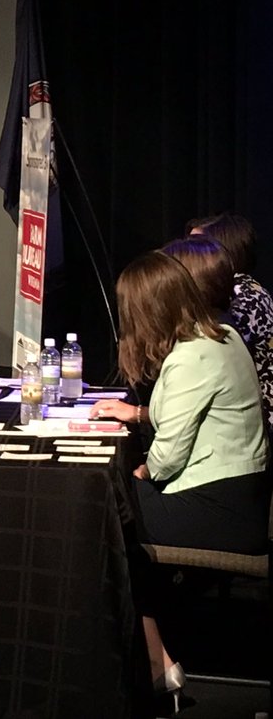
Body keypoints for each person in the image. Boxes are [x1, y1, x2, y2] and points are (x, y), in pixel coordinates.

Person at [93, 251, 269, 709]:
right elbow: (195, 414)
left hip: (219, 510)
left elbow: (168, 458)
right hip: (238, 498)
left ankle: (152, 663)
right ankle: (156, 654)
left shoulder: (191, 358)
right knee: (121, 505)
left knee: (107, 513)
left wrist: (142, 471)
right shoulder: (221, 335)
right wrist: (138, 414)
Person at [188, 212, 273, 424]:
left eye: (196, 246)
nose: (186, 253)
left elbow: (214, 353)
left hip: (256, 421)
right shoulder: (237, 291)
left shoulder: (247, 297)